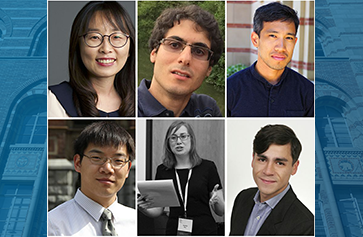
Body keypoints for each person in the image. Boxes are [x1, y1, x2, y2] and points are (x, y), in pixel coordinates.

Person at [48, 1, 135, 117]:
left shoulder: (139, 103)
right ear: (78, 46)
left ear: (130, 48)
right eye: (94, 37)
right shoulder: (53, 100)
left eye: (116, 37)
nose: (106, 48)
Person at [48, 121, 136, 236]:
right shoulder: (52, 226)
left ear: (128, 168)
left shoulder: (136, 223)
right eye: (97, 158)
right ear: (78, 163)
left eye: (118, 161)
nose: (108, 168)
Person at [227, 2, 314, 117]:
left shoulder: (308, 91)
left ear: (295, 42)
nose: (281, 47)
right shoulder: (232, 88)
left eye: (288, 38)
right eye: (273, 36)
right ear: (255, 40)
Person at [138, 121, 224, 235]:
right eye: (173, 138)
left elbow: (221, 211)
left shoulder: (208, 167)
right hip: (174, 230)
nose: (178, 141)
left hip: (205, 230)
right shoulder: (163, 170)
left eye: (183, 136)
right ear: (168, 142)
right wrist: (143, 208)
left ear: (191, 139)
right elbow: (158, 210)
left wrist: (216, 201)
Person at [138, 5, 224, 117]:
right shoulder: (127, 107)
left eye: (199, 51)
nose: (185, 59)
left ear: (209, 69)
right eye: (174, 45)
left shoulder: (207, 109)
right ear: (154, 53)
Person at [230, 124, 314, 236]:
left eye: (279, 163)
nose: (268, 171)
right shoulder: (243, 198)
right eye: (262, 159)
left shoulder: (306, 225)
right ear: (253, 159)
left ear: (294, 167)